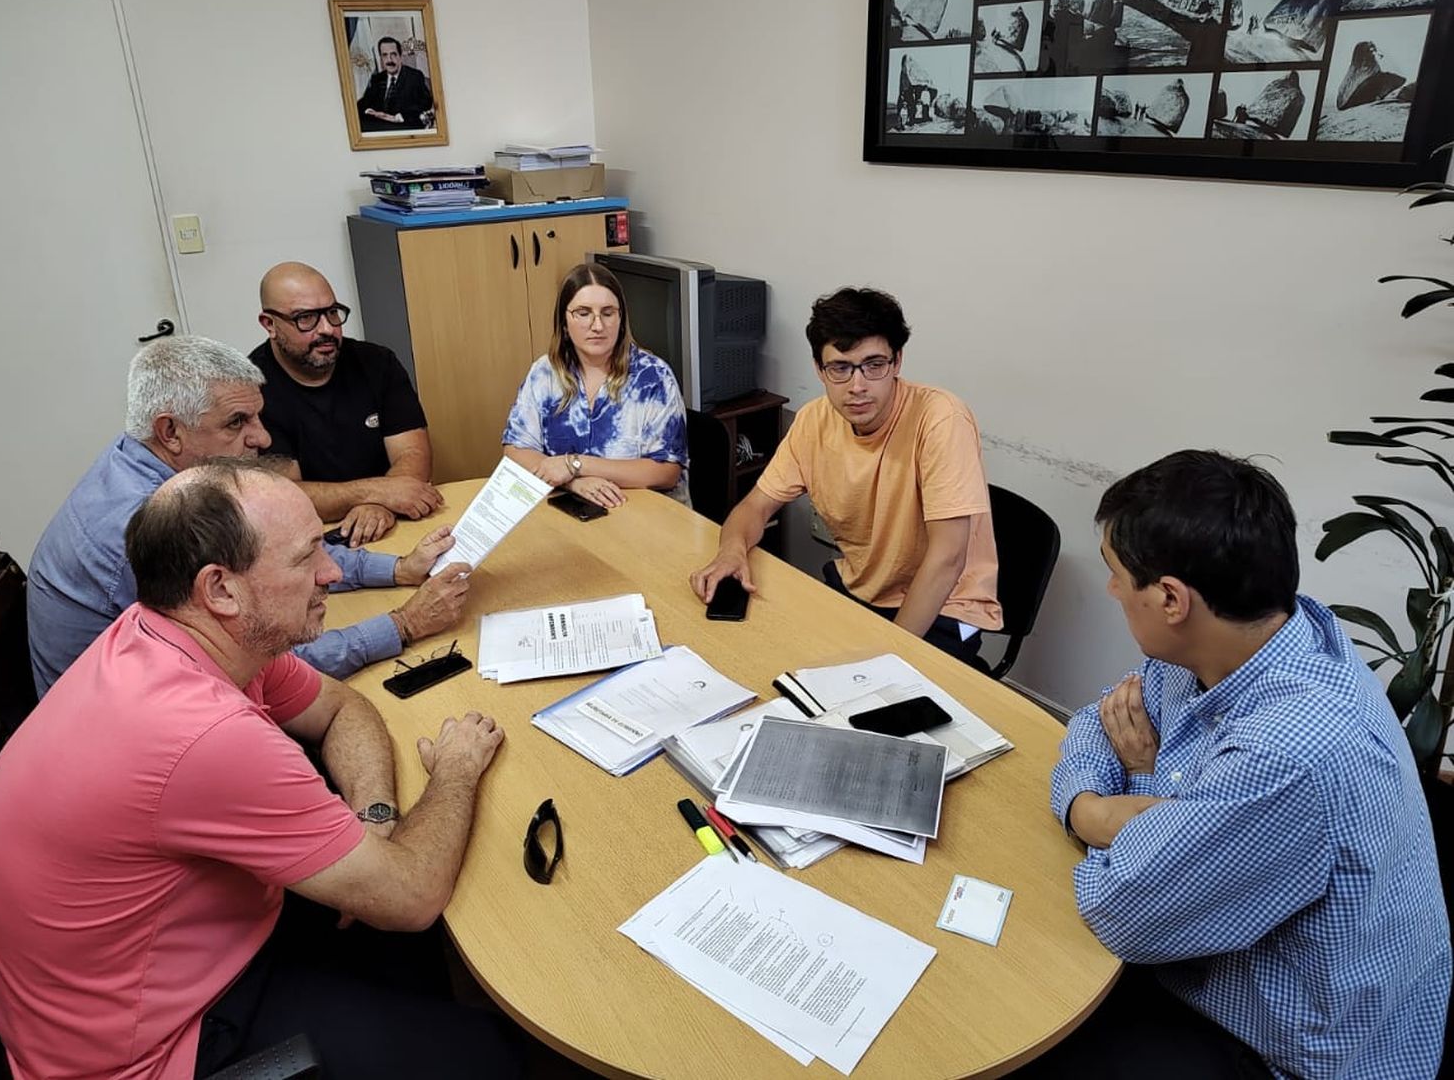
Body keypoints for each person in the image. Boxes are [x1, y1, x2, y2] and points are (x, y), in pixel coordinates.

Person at [0, 462, 516, 1077]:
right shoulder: (205, 733)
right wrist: (457, 771)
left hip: (110, 984)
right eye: (307, 556)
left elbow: (342, 708)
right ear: (221, 589)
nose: (331, 571)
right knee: (491, 1056)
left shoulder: (171, 633)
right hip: (148, 1052)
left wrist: (375, 820)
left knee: (409, 945)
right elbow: (412, 896)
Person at [1034, 450, 1449, 1078]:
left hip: (1285, 1051)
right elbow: (1099, 724)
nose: (1113, 590)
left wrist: (1095, 812)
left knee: (1027, 1014)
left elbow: (1122, 909)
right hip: (1210, 955)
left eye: (1117, 574)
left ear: (1171, 598)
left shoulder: (1295, 750)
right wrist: (1125, 805)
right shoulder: (1262, 632)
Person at [27, 335, 469, 694]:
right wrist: (404, 624)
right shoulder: (151, 526)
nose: (260, 439)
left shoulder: (150, 460)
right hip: (127, 734)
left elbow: (281, 554)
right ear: (170, 431)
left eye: (259, 418)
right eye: (237, 423)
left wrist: (399, 569)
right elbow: (265, 668)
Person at [689, 287, 1000, 664]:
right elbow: (755, 506)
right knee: (764, 656)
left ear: (897, 361)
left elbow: (948, 557)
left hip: (946, 607)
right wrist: (730, 552)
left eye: (874, 365)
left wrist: (888, 660)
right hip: (861, 590)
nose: (857, 386)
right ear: (820, 370)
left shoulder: (941, 419)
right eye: (840, 368)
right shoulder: (813, 421)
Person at [252, 261, 444, 545]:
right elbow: (287, 495)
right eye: (306, 318)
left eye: (332, 312)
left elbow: (414, 454)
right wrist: (378, 493)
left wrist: (379, 505)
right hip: (314, 536)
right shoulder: (252, 390)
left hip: (391, 517)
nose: (327, 329)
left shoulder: (378, 363)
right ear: (270, 324)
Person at [502, 262, 689, 508]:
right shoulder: (544, 373)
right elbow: (515, 451)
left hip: (643, 515)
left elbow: (666, 472)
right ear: (564, 322)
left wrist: (575, 465)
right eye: (583, 313)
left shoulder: (654, 377)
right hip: (572, 507)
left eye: (608, 313)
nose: (597, 325)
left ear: (621, 320)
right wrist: (572, 482)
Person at [355, 35, 434, 132]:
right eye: (385, 55)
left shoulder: (414, 77)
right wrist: (369, 111)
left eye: (393, 54)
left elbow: (425, 103)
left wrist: (398, 117)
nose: (389, 60)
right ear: (381, 59)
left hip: (403, 127)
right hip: (380, 127)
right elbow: (364, 102)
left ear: (400, 57)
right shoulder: (377, 78)